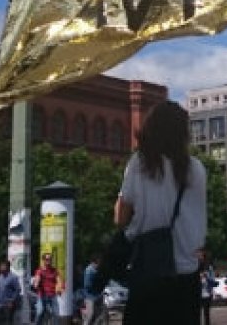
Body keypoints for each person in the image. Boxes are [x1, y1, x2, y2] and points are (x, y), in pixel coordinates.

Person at [115, 100, 208, 325]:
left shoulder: (139, 164)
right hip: (187, 278)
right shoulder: (196, 168)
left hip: (149, 273)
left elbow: (120, 218)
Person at [31, 252, 63, 324]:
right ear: (43, 260)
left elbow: (59, 281)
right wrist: (36, 283)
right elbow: (37, 278)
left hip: (52, 295)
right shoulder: (40, 271)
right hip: (42, 295)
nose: (49, 261)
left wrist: (59, 287)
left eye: (50, 259)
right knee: (40, 312)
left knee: (56, 313)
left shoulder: (54, 270)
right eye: (47, 259)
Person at [0, 259, 22, 325]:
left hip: (8, 304)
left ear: (8, 267)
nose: (1, 267)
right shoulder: (0, 277)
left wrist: (12, 301)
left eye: (3, 266)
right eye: (1, 266)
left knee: (8, 322)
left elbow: (18, 289)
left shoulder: (13, 277)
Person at [81, 255, 103, 325]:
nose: (99, 264)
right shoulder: (89, 271)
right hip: (90, 296)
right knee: (90, 315)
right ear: (94, 262)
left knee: (98, 315)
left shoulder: (96, 270)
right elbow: (87, 285)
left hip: (97, 295)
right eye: (98, 262)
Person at [197, 249, 217, 325]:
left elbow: (213, 281)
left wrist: (206, 276)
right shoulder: (195, 267)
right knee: (197, 313)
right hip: (198, 293)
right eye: (198, 255)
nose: (199, 257)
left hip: (207, 293)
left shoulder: (209, 267)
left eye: (200, 255)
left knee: (206, 313)